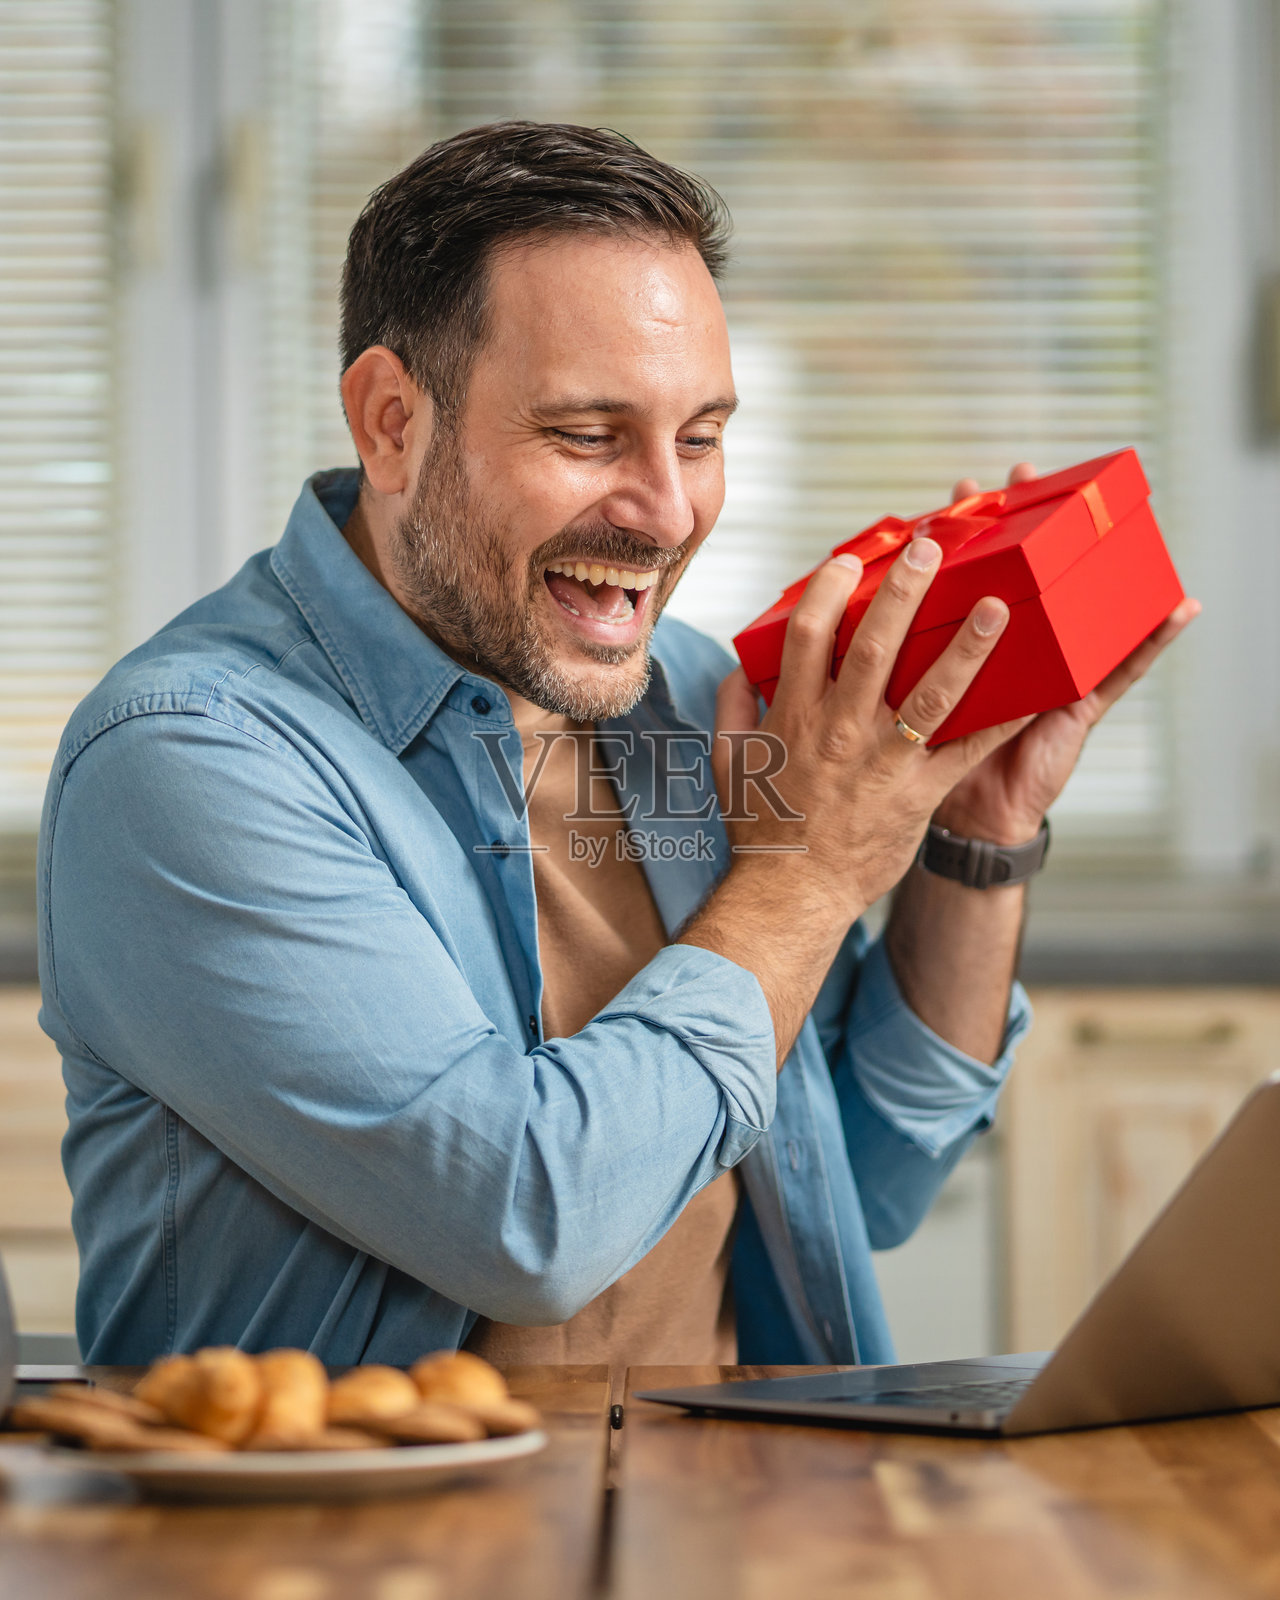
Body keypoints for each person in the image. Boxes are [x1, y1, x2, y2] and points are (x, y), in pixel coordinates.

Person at [38, 122, 1196, 1366]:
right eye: (589, 436)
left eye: (698, 436)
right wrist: (805, 873)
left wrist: (972, 841)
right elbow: (521, 1216)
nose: (666, 510)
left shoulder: (690, 702)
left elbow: (854, 1187)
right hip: (344, 1551)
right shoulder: (188, 762)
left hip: (725, 1519)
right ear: (389, 423)